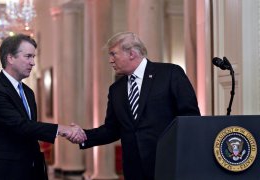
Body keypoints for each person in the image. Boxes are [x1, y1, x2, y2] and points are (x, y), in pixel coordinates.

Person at [79, 32, 200, 180]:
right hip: (133, 170)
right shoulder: (116, 89)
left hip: (168, 165)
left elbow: (190, 118)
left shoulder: (170, 73)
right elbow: (112, 129)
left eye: (113, 54)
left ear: (131, 53)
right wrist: (83, 136)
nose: (110, 60)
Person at [0, 34, 86, 180]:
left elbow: (30, 132)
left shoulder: (28, 92)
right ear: (10, 58)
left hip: (31, 170)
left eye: (33, 57)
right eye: (28, 56)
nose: (33, 63)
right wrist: (62, 129)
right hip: (5, 172)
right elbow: (21, 125)